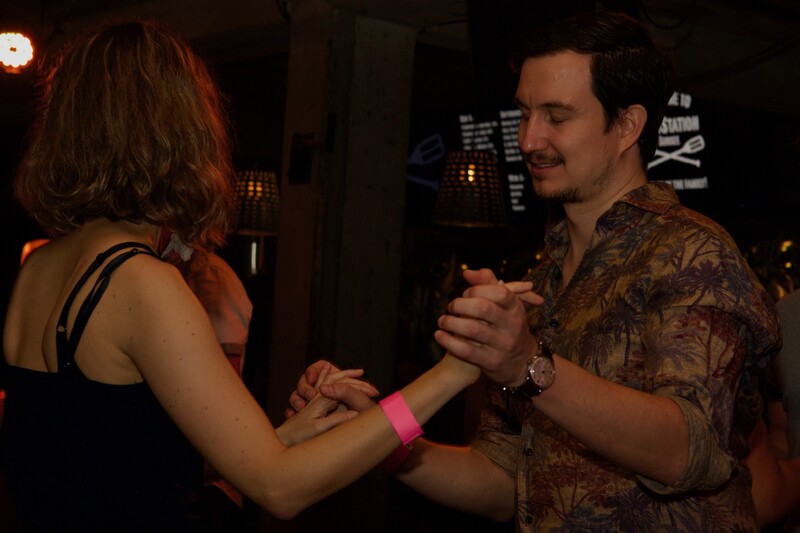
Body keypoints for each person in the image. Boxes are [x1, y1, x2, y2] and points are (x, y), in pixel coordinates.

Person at [290, 10, 781, 531]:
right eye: (524, 114)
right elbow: (503, 482)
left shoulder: (692, 253)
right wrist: (377, 438)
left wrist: (529, 364)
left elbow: (690, 449)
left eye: (556, 117)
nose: (528, 140)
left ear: (627, 125)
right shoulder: (544, 279)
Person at [0, 19, 483, 531]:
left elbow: (103, 460)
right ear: (178, 131)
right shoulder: (142, 282)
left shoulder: (39, 267)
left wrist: (290, 437)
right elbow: (282, 490)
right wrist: (450, 375)